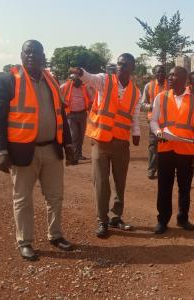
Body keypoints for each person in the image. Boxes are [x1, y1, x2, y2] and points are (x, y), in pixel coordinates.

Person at [0, 40, 75, 261]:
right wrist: (1, 150)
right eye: (27, 52)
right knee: (23, 199)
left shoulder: (52, 81)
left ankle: (55, 235)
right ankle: (25, 241)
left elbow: (61, 115)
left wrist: (68, 143)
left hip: (51, 149)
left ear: (42, 56)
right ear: (21, 55)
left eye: (35, 52)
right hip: (22, 152)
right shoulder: (7, 81)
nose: (31, 56)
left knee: (55, 197)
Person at [69, 53, 141, 238]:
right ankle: (102, 221)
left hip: (121, 143)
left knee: (120, 182)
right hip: (101, 141)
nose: (120, 68)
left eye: (124, 65)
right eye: (118, 64)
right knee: (101, 182)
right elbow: (89, 78)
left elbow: (135, 115)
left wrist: (136, 133)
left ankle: (116, 217)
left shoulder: (136, 92)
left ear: (132, 68)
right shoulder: (104, 81)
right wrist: (81, 72)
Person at [150, 66, 194, 234]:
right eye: (170, 75)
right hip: (166, 149)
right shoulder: (161, 97)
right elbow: (153, 121)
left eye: (174, 75)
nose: (169, 77)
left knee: (185, 187)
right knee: (164, 186)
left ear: (184, 79)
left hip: (187, 151)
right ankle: (162, 220)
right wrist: (158, 132)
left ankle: (183, 218)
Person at [141, 65, 169, 180]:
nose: (160, 74)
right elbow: (142, 104)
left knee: (167, 145)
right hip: (154, 121)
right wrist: (151, 106)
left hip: (168, 122)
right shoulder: (149, 86)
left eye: (162, 72)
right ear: (154, 74)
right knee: (153, 145)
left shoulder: (171, 85)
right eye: (158, 72)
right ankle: (152, 169)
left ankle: (166, 169)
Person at [60, 74, 93, 161]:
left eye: (80, 81)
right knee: (74, 135)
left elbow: (91, 99)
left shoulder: (84, 87)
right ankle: (73, 156)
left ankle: (79, 154)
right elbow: (56, 93)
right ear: (72, 80)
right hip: (71, 115)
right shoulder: (65, 86)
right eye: (77, 81)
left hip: (82, 114)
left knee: (81, 137)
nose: (79, 83)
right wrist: (60, 103)